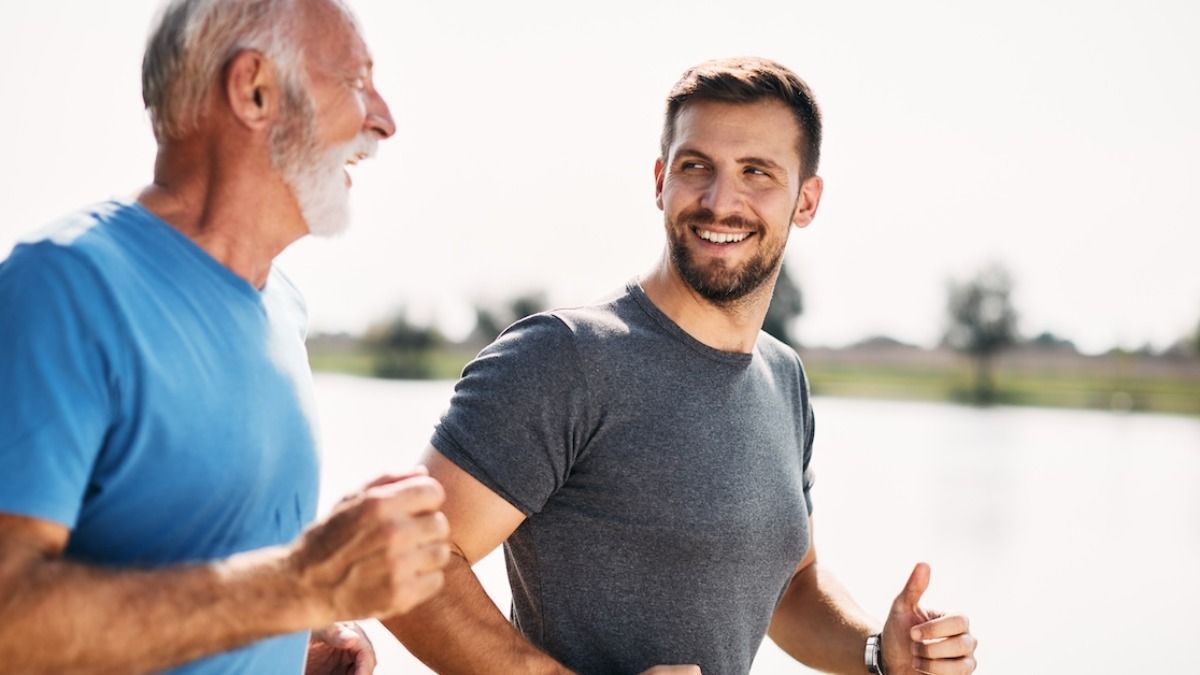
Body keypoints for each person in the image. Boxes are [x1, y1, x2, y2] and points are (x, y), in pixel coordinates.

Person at [383, 58, 978, 675]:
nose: (722, 202)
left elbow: (790, 585)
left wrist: (879, 653)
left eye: (758, 173)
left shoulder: (783, 378)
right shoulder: (564, 357)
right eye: (697, 167)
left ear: (807, 200)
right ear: (661, 180)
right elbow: (402, 564)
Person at [0, 1, 451, 673]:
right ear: (255, 89)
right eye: (357, 81)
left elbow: (216, 572)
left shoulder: (284, 308)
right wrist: (303, 584)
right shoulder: (64, 285)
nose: (383, 118)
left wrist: (293, 633)